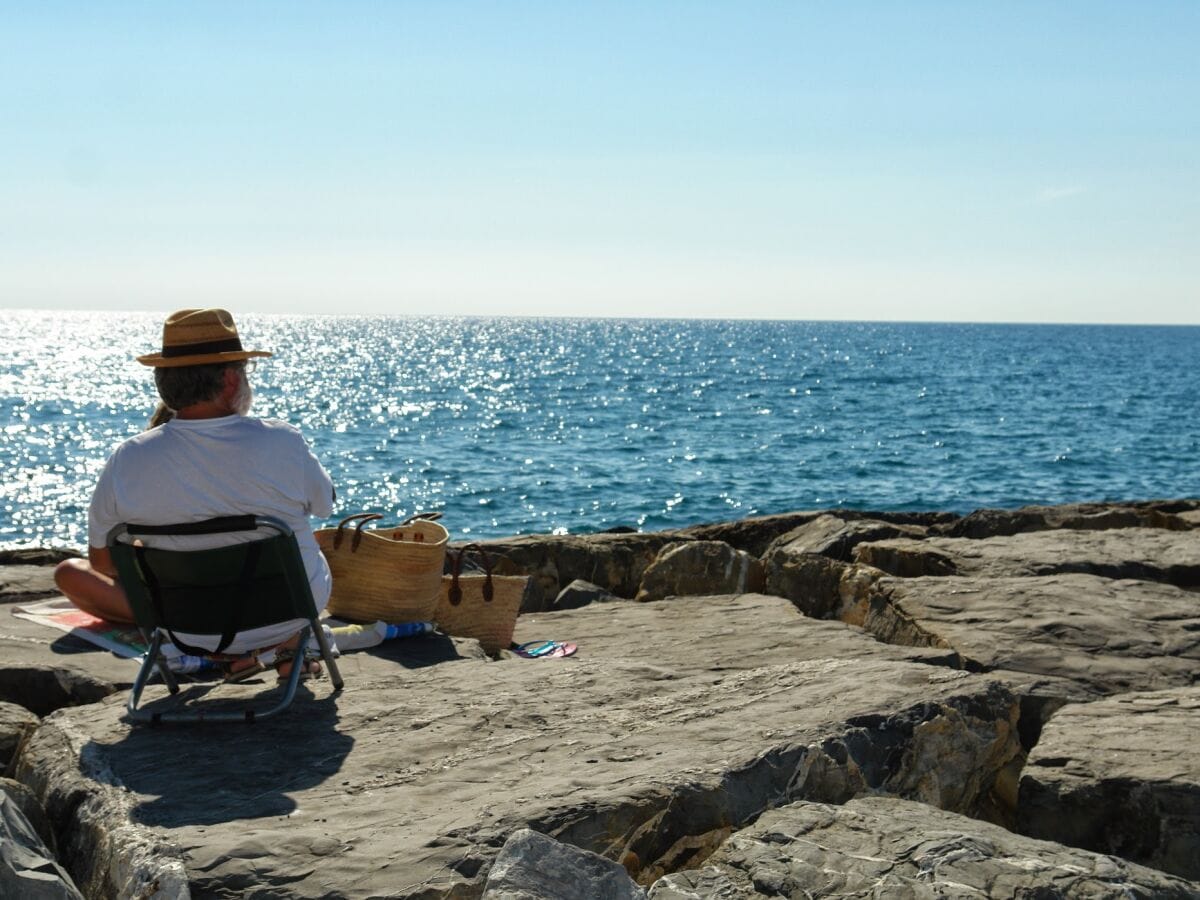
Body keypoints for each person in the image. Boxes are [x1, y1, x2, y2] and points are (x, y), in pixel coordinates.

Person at [54, 308, 335, 677]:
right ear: (231, 380)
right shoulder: (282, 439)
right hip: (286, 613)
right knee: (310, 541)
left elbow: (104, 565)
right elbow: (325, 507)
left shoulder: (128, 457)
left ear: (164, 384)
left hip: (186, 626)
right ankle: (284, 645)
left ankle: (226, 652)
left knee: (77, 572)